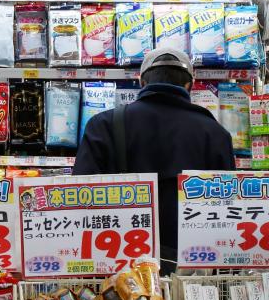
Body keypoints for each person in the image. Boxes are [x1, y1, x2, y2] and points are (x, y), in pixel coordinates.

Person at [74, 47, 235, 273]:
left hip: (119, 266)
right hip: (192, 269)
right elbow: (230, 209)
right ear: (190, 84)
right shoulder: (216, 133)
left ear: (141, 81)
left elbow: (79, 197)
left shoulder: (104, 125)